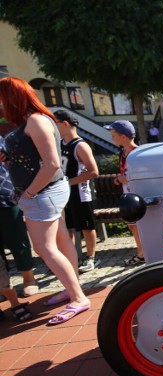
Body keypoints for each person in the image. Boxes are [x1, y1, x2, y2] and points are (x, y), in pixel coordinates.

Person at [0, 77, 91, 325]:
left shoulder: (35, 120)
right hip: (46, 192)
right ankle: (72, 290)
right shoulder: (35, 119)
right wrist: (10, 159)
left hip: (42, 194)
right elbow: (36, 159)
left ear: (11, 97)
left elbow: (50, 164)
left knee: (45, 248)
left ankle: (78, 296)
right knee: (60, 241)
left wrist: (28, 194)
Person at [53, 110, 100, 273]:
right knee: (67, 228)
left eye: (55, 122)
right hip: (64, 194)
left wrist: (68, 182)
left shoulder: (80, 145)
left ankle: (91, 257)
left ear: (65, 123)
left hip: (80, 192)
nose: (53, 126)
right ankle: (70, 258)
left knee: (86, 226)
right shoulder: (58, 144)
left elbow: (94, 171)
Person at [106, 120, 145, 266]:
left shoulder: (136, 153)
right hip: (128, 193)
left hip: (136, 195)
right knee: (132, 226)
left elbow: (141, 175)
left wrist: (125, 178)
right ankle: (141, 253)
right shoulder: (123, 153)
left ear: (123, 136)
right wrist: (120, 179)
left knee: (138, 226)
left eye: (113, 135)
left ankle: (143, 253)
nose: (112, 138)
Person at [0, 158, 39, 298]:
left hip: (6, 198)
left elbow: (9, 157)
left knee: (18, 240)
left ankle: (29, 279)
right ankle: (3, 286)